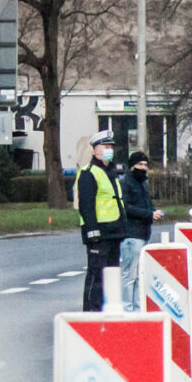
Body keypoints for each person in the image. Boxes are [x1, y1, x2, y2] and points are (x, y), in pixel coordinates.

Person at [77, 130, 126, 311]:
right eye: (106, 147)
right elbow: (86, 206)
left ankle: (108, 310)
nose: (109, 150)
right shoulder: (89, 173)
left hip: (114, 232)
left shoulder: (111, 172)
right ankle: (91, 312)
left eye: (111, 147)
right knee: (96, 275)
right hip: (99, 234)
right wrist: (92, 232)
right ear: (95, 150)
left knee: (111, 276)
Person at [119, 151, 164, 312]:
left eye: (145, 165)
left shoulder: (143, 183)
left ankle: (137, 309)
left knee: (139, 275)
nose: (143, 168)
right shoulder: (125, 182)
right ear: (132, 166)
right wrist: (149, 214)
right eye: (140, 164)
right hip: (131, 234)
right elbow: (126, 208)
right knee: (129, 275)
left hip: (143, 232)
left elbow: (146, 204)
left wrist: (153, 211)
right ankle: (127, 310)